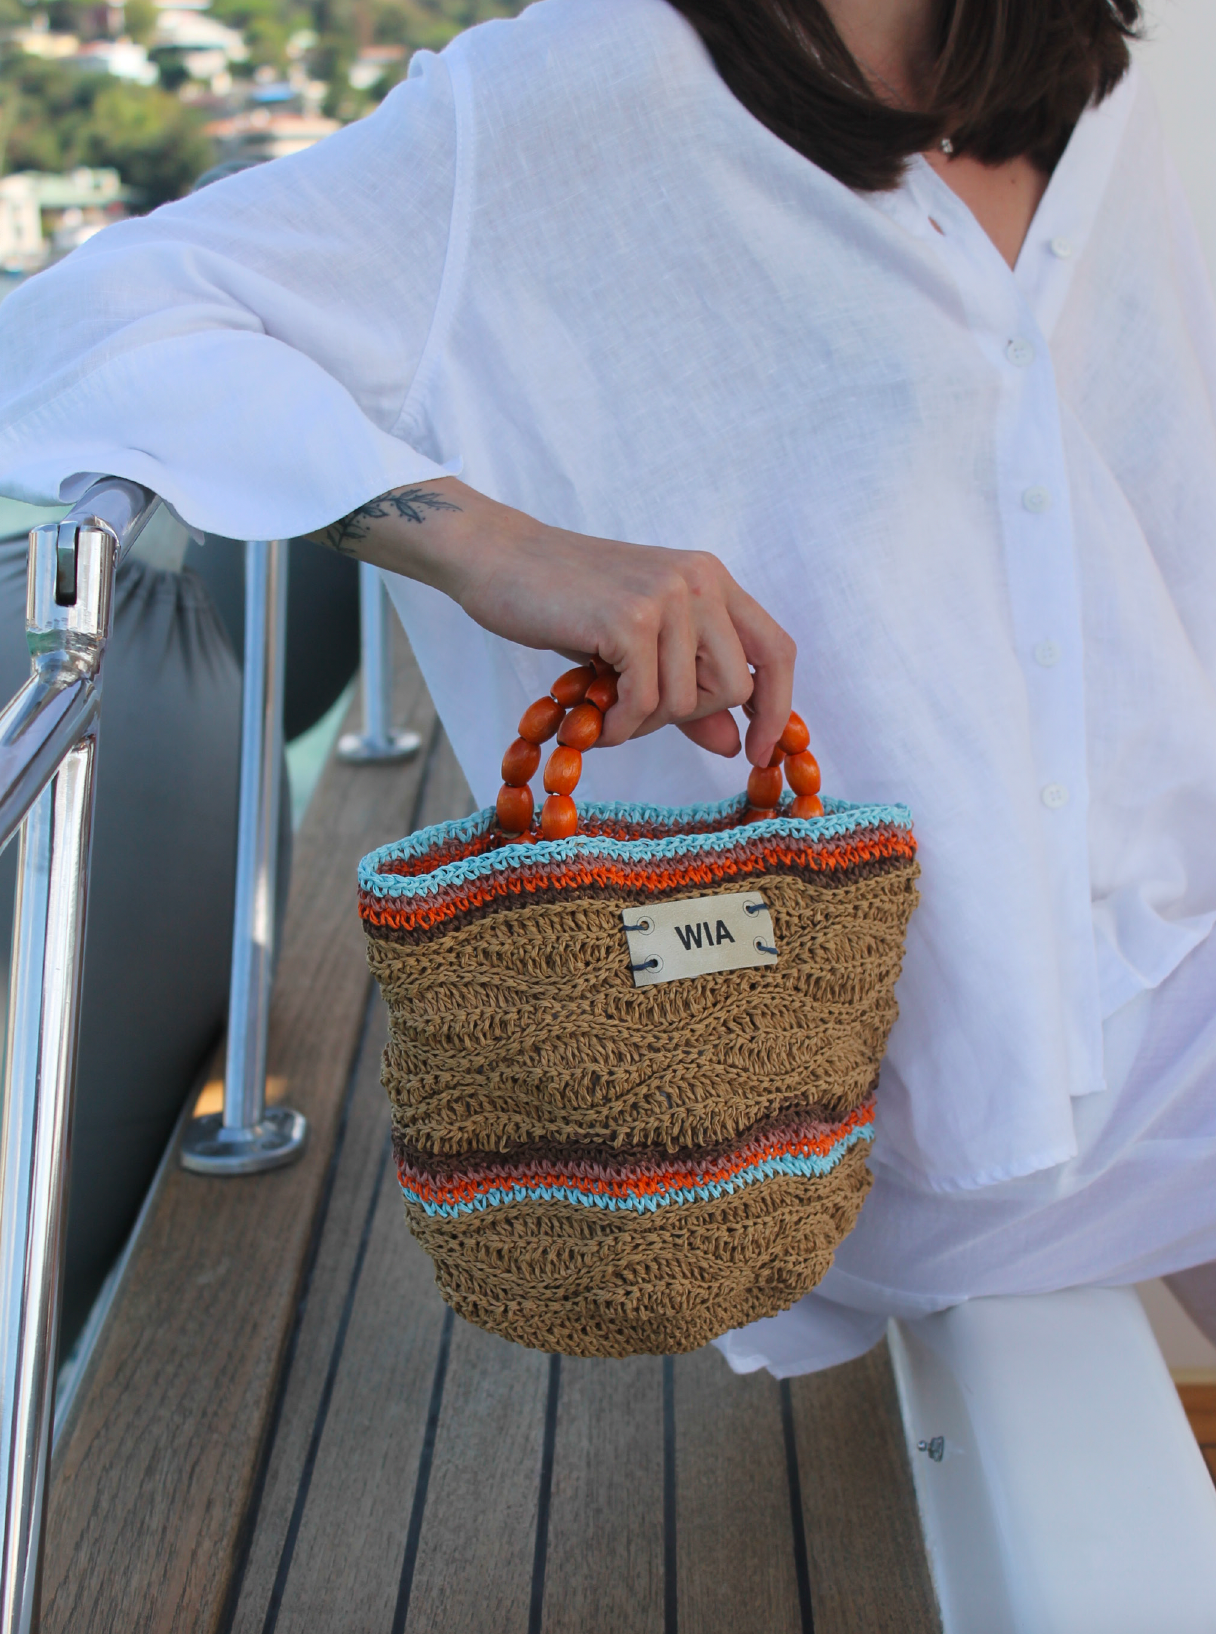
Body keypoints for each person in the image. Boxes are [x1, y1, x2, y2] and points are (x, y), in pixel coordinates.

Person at [2, 0, 1215, 1376]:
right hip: (854, 1069)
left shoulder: (1085, 89)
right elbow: (72, 332)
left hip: (1161, 949)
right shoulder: (583, 85)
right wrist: (491, 546)